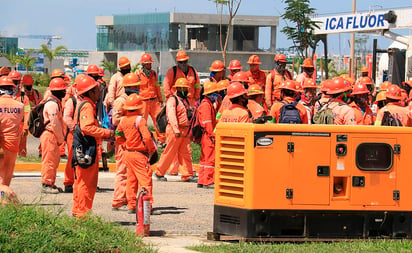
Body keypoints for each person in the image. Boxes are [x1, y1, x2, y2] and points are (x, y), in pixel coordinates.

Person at [72, 75, 114, 218]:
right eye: (96, 90)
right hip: (87, 148)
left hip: (84, 147)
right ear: (90, 92)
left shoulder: (84, 104)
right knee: (87, 184)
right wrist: (107, 133)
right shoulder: (88, 106)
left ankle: (78, 211)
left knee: (81, 181)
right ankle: (83, 214)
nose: (99, 92)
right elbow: (87, 128)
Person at [115, 93, 156, 213]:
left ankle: (132, 205)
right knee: (145, 181)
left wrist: (124, 144)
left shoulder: (123, 121)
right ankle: (147, 206)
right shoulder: (140, 120)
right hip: (139, 154)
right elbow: (147, 138)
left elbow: (118, 135)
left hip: (128, 153)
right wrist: (151, 149)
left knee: (131, 181)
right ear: (139, 107)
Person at [154, 77, 197, 183]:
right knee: (169, 152)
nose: (187, 91)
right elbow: (171, 115)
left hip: (184, 130)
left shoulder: (184, 101)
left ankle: (187, 174)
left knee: (186, 152)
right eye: (185, 89)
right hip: (175, 131)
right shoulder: (172, 100)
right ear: (180, 89)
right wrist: (176, 129)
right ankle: (159, 172)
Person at [112, 73, 142, 210]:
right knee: (122, 171)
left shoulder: (132, 100)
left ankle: (125, 199)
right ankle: (118, 200)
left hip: (131, 141)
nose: (138, 89)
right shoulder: (121, 101)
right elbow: (115, 120)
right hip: (123, 140)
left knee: (129, 172)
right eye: (136, 87)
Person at [40, 78, 67, 193]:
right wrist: (61, 138)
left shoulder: (54, 103)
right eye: (63, 90)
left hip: (52, 135)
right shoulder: (52, 104)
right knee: (49, 160)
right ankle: (46, 184)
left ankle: (50, 182)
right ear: (57, 91)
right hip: (51, 134)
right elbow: (55, 123)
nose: (65, 92)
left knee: (54, 160)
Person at [135, 53, 165, 145]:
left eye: (150, 63)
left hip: (154, 101)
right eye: (148, 63)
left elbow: (157, 87)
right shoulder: (138, 75)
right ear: (143, 64)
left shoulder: (154, 74)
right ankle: (142, 140)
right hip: (143, 102)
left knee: (159, 120)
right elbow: (135, 89)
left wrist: (160, 99)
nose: (150, 65)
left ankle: (162, 141)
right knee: (142, 122)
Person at [0, 76, 24, 187]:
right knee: (8, 173)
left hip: (2, 142)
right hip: (13, 144)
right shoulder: (20, 105)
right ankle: (4, 196)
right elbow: (23, 117)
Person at [197, 81, 220, 189]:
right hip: (208, 136)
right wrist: (213, 135)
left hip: (205, 135)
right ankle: (208, 181)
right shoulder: (206, 105)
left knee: (204, 159)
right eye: (214, 93)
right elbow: (207, 123)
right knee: (210, 159)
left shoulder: (206, 104)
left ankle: (201, 180)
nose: (216, 95)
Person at [9, 70, 30, 157]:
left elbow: (27, 112)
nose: (15, 84)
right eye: (13, 82)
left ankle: (22, 157)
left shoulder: (23, 97)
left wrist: (26, 126)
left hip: (20, 126)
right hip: (7, 125)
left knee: (21, 147)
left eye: (16, 82)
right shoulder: (3, 96)